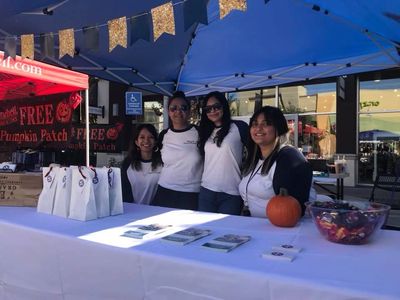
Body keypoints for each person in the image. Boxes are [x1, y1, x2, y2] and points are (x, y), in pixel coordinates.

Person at [239, 106, 312, 218]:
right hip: (254, 227)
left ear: (278, 128)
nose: (258, 128)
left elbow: (294, 209)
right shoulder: (255, 159)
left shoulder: (289, 158)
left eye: (266, 123)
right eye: (254, 124)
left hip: (278, 231)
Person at [197, 91, 248, 215]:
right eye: (208, 109)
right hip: (206, 191)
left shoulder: (239, 127)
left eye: (217, 107)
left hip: (231, 193)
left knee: (228, 232)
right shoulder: (204, 131)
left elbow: (256, 153)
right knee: (204, 230)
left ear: (224, 106)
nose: (213, 111)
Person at [151, 91, 203, 210]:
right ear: (168, 112)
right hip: (164, 191)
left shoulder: (200, 133)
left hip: (191, 194)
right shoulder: (164, 135)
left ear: (189, 111)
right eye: (173, 108)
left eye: (183, 108)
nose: (178, 111)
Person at [121, 124, 162, 204]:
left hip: (156, 211)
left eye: (151, 137)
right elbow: (123, 190)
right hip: (132, 211)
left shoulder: (162, 163)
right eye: (142, 137)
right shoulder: (128, 163)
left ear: (155, 141)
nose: (146, 141)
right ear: (136, 142)